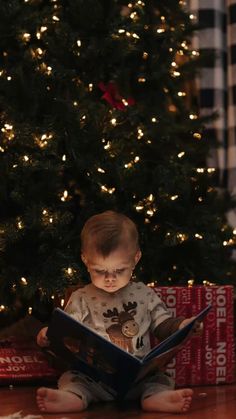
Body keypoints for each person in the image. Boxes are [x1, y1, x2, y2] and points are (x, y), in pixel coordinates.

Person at [36, 210, 202, 413]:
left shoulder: (144, 294)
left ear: (135, 258)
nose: (109, 278)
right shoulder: (81, 298)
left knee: (160, 378)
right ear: (85, 260)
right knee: (72, 379)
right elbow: (67, 331)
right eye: (100, 270)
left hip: (137, 380)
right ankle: (73, 397)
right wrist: (48, 335)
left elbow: (163, 324)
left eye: (120, 270)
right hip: (94, 379)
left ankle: (155, 397)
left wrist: (183, 326)